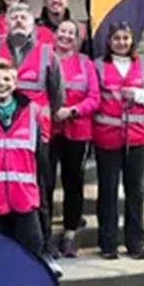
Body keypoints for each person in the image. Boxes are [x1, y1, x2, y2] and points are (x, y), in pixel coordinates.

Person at [0, 59, 62, 278]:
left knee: (31, 254)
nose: (1, 84)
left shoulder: (33, 112)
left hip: (23, 198)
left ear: (15, 83)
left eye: (7, 79)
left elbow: (40, 155)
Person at [0, 2, 63, 250]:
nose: (18, 21)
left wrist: (43, 118)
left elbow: (57, 94)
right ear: (5, 22)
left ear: (32, 23)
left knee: (41, 192)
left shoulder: (48, 53)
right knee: (3, 191)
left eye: (23, 18)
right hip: (0, 132)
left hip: (37, 135)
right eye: (13, 17)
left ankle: (44, 247)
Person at [93, 21, 144, 260]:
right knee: (108, 191)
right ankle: (108, 243)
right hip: (107, 137)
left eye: (125, 38)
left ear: (132, 40)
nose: (121, 43)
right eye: (117, 39)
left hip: (137, 137)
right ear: (109, 41)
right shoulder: (98, 66)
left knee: (135, 191)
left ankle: (135, 242)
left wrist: (137, 95)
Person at [49, 20, 100, 257]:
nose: (66, 36)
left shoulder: (85, 64)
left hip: (78, 131)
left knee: (73, 184)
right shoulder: (46, 59)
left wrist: (72, 111)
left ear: (77, 39)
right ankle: (45, 232)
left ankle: (69, 234)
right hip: (48, 130)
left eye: (71, 33)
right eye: (63, 32)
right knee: (45, 183)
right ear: (55, 35)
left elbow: (94, 98)